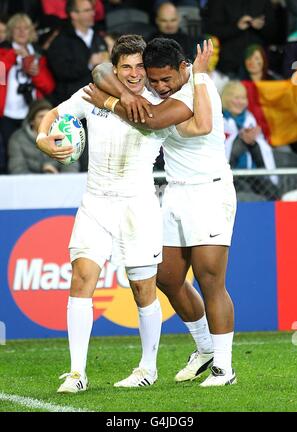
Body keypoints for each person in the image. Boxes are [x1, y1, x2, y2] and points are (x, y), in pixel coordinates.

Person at [36, 35, 212, 392]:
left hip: (138, 205)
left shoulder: (156, 103)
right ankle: (76, 373)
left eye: (139, 68)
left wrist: (199, 76)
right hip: (96, 201)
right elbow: (56, 114)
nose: (134, 75)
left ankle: (147, 368)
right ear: (115, 70)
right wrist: (43, 138)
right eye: (126, 68)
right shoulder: (92, 93)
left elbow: (157, 118)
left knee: (142, 288)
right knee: (81, 277)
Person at [90, 37, 237, 387]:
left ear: (184, 68)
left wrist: (110, 102)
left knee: (210, 280)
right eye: (153, 80)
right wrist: (125, 95)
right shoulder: (160, 92)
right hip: (174, 194)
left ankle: (224, 368)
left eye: (165, 79)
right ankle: (204, 348)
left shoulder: (196, 90)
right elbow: (98, 70)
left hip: (210, 193)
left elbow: (153, 120)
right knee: (167, 277)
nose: (158, 86)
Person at [0, 13, 55, 173]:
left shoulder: (38, 53)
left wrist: (36, 73)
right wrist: (12, 56)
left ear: (31, 31)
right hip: (7, 113)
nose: (22, 32)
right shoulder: (3, 51)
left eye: (26, 28)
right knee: (8, 154)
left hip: (31, 112)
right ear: (10, 31)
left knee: (33, 150)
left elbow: (48, 87)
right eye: (17, 28)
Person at [221, 80, 280, 201]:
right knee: (247, 195)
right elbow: (223, 154)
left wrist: (254, 143)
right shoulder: (219, 120)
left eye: (243, 98)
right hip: (232, 177)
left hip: (254, 174)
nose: (241, 102)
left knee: (274, 194)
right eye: (236, 97)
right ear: (226, 99)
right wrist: (240, 140)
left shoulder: (250, 119)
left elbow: (263, 155)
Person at [46, 0, 109, 105]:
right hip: (73, 101)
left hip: (99, 99)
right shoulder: (60, 41)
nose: (93, 13)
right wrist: (88, 64)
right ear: (74, 15)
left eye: (92, 9)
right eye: (87, 10)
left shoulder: (98, 37)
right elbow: (61, 72)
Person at [8, 99, 79, 174]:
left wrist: (58, 179)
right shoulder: (17, 139)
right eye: (41, 116)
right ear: (32, 121)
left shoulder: (64, 136)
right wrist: (42, 176)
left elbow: (71, 166)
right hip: (29, 184)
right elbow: (17, 169)